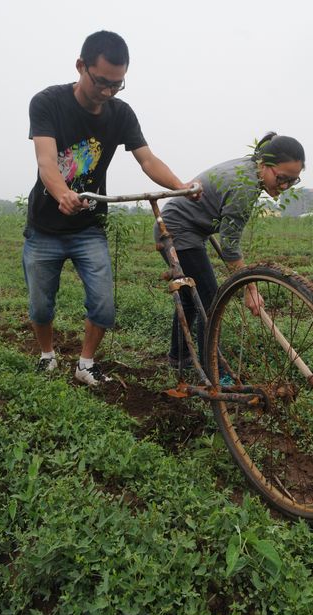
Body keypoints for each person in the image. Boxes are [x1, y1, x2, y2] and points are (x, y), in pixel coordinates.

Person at [24, 30, 194, 387]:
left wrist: (180, 186)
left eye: (117, 85)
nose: (107, 92)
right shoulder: (47, 102)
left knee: (103, 305)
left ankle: (86, 364)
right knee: (41, 305)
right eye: (101, 81)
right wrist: (62, 194)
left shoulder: (121, 114)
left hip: (88, 227)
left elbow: (147, 160)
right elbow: (46, 162)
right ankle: (47, 355)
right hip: (44, 228)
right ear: (80, 66)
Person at [154, 132, 305, 369]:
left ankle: (179, 357)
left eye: (293, 181)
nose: (285, 186)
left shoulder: (251, 167)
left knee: (190, 295)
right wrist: (250, 289)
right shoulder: (245, 188)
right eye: (282, 178)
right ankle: (213, 370)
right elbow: (230, 246)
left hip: (188, 228)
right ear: (265, 165)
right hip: (177, 231)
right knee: (210, 299)